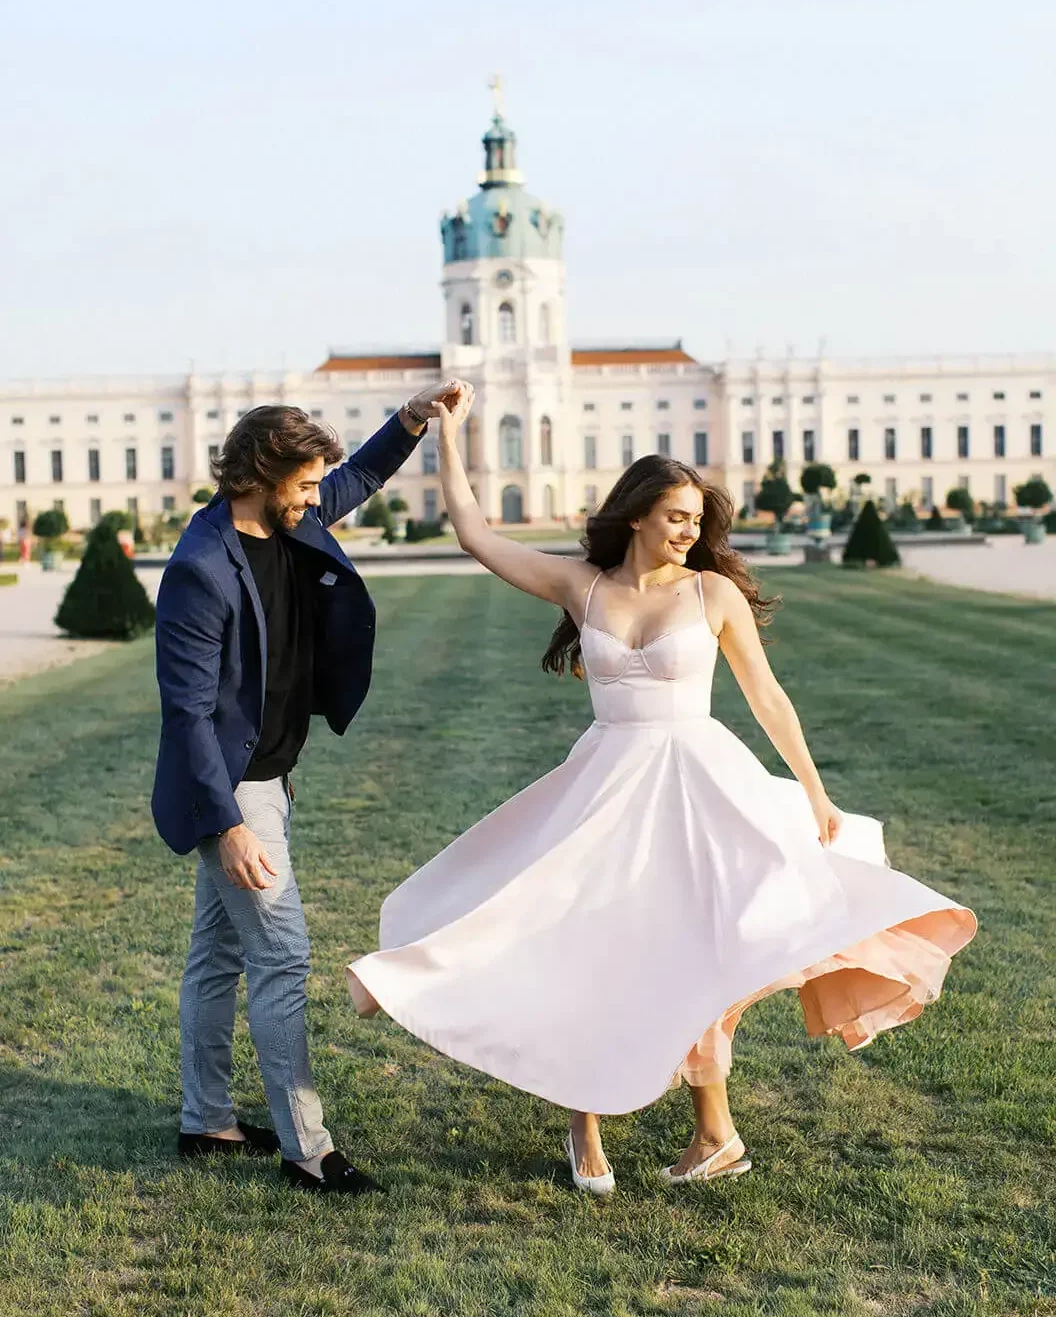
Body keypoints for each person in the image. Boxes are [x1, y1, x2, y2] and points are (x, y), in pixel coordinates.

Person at [347, 382, 977, 1195]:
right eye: (676, 516)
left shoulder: (712, 594)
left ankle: (715, 1132)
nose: (689, 531)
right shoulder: (586, 587)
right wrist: (452, 434)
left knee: (702, 948)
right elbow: (473, 533)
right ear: (638, 514)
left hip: (699, 785)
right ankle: (587, 1126)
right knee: (582, 937)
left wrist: (814, 792)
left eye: (696, 520)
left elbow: (768, 696)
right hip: (606, 785)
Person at [153, 386, 462, 1195]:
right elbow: (185, 715)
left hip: (273, 779)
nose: (318, 496)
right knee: (283, 958)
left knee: (216, 958)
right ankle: (308, 1149)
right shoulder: (199, 569)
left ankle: (206, 1120)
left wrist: (412, 420)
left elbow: (355, 477)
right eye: (304, 482)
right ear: (260, 474)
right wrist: (227, 825)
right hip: (238, 794)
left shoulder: (293, 515)